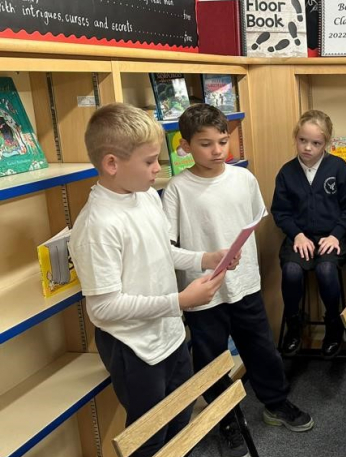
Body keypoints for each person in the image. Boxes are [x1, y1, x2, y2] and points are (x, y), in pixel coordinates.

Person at [68, 103, 236, 457]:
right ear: (112, 164)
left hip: (169, 333)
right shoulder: (97, 225)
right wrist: (180, 301)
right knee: (149, 436)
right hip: (134, 347)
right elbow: (105, 307)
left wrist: (205, 258)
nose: (158, 168)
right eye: (149, 161)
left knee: (179, 418)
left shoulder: (144, 196)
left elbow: (162, 252)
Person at [162, 104, 314, 457]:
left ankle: (276, 402)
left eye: (222, 141)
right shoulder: (177, 189)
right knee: (211, 358)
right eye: (205, 144)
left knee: (261, 348)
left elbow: (252, 221)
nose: (217, 151)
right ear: (184, 146)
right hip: (203, 292)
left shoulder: (243, 178)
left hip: (244, 285)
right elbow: (168, 243)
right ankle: (224, 416)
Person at [271, 110, 346, 359]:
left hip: (333, 237)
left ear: (326, 143)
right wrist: (296, 235)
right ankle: (294, 326)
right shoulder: (287, 172)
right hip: (299, 238)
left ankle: (333, 327)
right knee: (291, 271)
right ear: (296, 138)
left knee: (326, 270)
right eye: (302, 140)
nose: (307, 147)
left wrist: (336, 235)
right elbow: (281, 212)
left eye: (316, 143)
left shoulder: (338, 168)